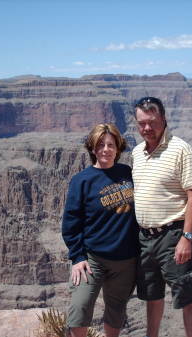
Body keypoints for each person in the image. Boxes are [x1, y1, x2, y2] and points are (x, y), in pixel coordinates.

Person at [132, 97, 192, 337]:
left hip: (173, 235)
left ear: (163, 119)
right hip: (144, 238)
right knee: (151, 296)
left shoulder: (181, 149)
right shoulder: (137, 153)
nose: (147, 129)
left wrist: (186, 237)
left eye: (152, 122)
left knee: (187, 297)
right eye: (141, 123)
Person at [62, 123, 139, 337]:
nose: (106, 149)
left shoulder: (127, 173)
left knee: (116, 312)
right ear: (93, 149)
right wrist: (77, 257)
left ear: (118, 148)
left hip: (125, 260)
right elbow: (70, 222)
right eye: (100, 145)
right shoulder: (81, 181)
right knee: (80, 307)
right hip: (92, 259)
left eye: (110, 145)